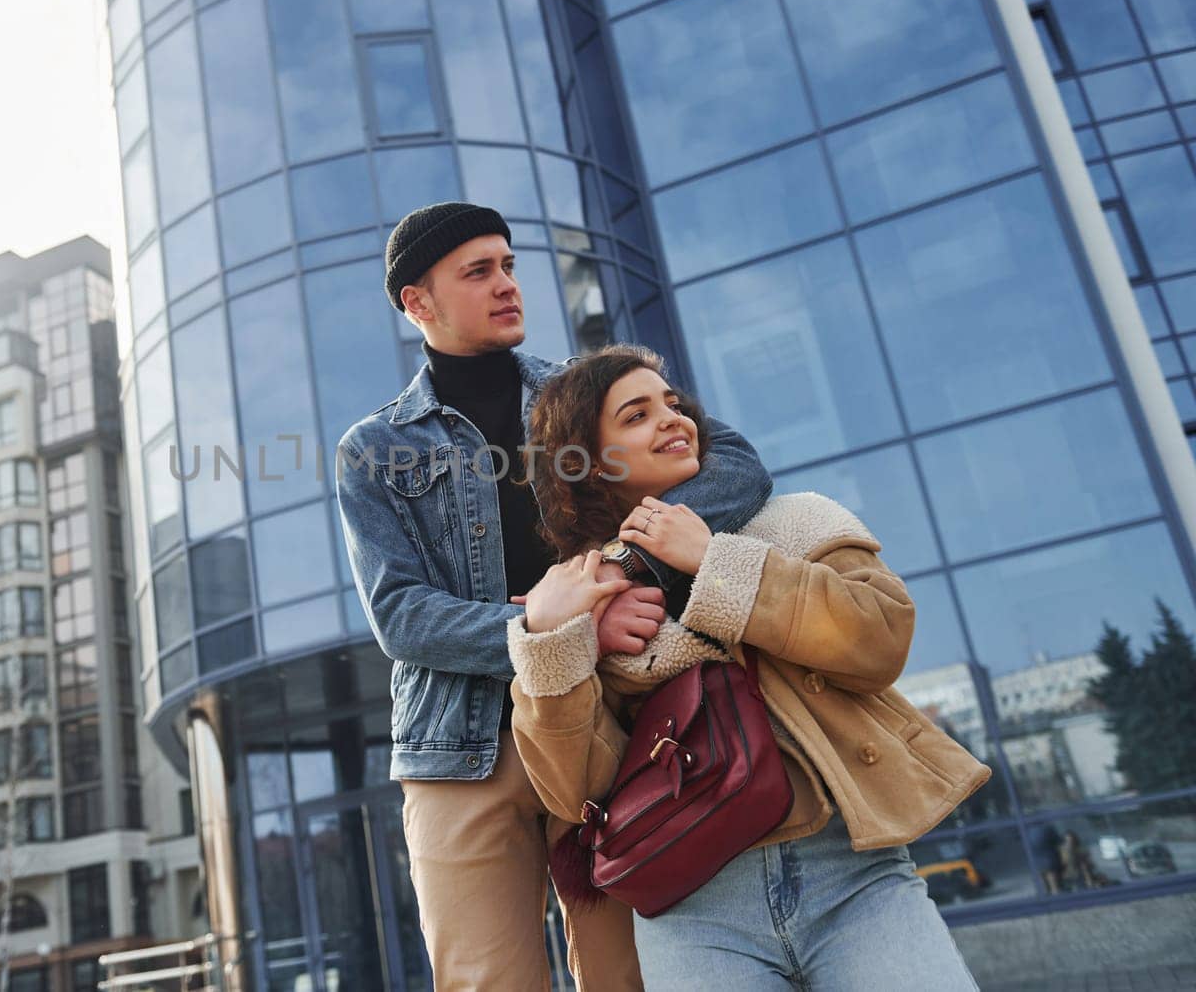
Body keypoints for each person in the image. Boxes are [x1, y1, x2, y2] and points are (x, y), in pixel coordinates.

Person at [335, 203, 773, 990]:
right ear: (417, 302)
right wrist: (544, 623)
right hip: (459, 754)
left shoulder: (580, 393)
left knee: (631, 976)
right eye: (479, 271)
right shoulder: (376, 447)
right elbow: (401, 616)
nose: (507, 284)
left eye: (508, 264)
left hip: (600, 727)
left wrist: (618, 572)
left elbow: (735, 464)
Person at [506, 344, 992, 990]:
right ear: (593, 464)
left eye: (673, 403)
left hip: (853, 871)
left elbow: (879, 639)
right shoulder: (584, 595)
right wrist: (553, 643)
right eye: (637, 413)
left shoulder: (796, 518)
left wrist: (715, 560)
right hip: (693, 908)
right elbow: (577, 789)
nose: (672, 418)